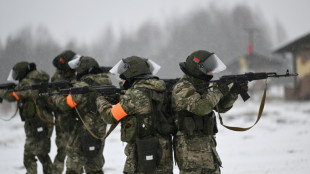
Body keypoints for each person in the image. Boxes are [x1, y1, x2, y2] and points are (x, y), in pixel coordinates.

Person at [171, 50, 248, 174]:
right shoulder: (183, 87)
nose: (211, 73)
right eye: (208, 69)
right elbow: (202, 108)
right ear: (198, 68)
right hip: (190, 152)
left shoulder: (201, 85)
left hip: (207, 147)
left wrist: (234, 91)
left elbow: (221, 107)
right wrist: (219, 91)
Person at [96, 56, 175, 174]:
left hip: (143, 150)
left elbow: (110, 116)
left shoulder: (135, 95)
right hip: (164, 148)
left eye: (123, 78)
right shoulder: (161, 89)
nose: (121, 81)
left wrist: (100, 100)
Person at [53, 56, 111, 174]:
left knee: (73, 168)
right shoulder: (107, 83)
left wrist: (56, 95)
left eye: (77, 69)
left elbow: (64, 104)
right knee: (95, 167)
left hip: (80, 133)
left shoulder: (81, 86)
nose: (75, 72)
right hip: (98, 133)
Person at [0, 61, 55, 174]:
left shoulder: (27, 82)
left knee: (29, 157)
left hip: (38, 122)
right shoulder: (38, 80)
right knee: (42, 154)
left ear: (22, 73)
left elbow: (12, 96)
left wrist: (1, 93)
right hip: (43, 121)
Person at [51, 50, 79, 174]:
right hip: (62, 118)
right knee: (63, 151)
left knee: (76, 152)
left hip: (75, 118)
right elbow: (52, 98)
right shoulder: (57, 77)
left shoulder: (75, 74)